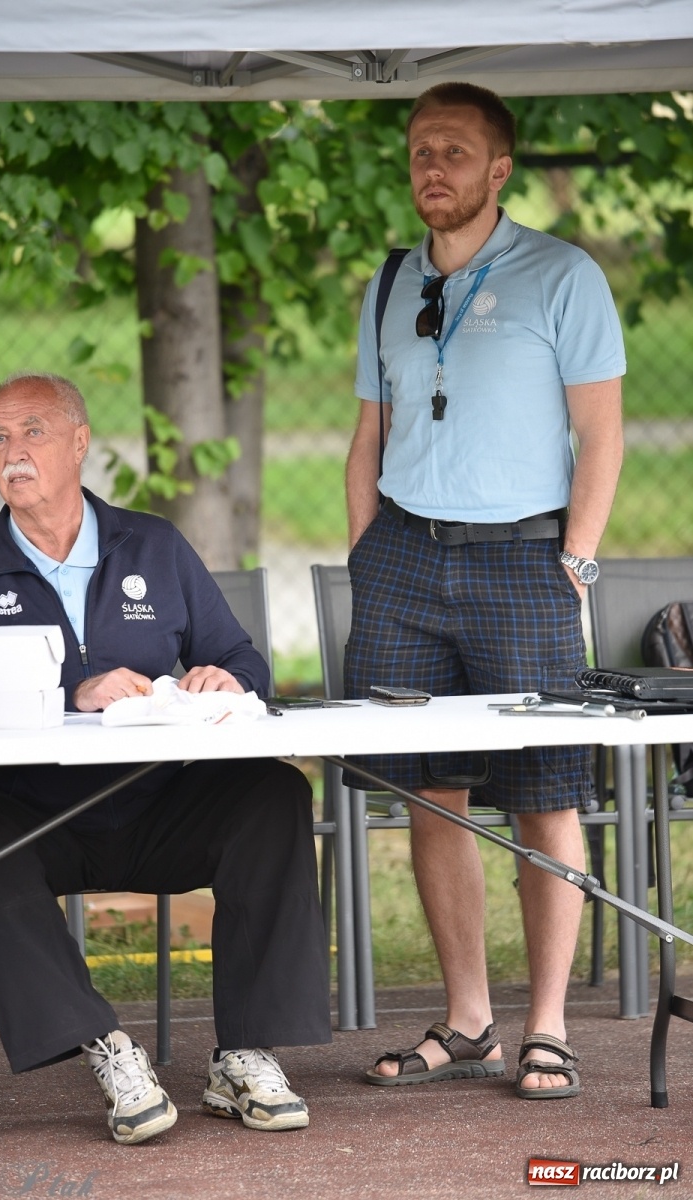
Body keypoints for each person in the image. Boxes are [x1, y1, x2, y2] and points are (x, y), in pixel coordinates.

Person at [0, 371, 331, 1144]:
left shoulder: (155, 545)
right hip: (36, 818)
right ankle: (104, 1047)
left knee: (273, 793)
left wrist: (223, 676)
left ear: (80, 443)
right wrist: (70, 691)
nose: (13, 453)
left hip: (162, 808)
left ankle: (245, 1054)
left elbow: (243, 661)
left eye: (33, 432)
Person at [344, 82, 625, 1099]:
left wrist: (576, 559)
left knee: (548, 796)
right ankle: (469, 1022)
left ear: (499, 169)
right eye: (422, 149)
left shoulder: (564, 275)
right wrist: (368, 555)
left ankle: (547, 1025)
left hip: (523, 558)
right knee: (433, 793)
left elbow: (601, 432)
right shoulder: (387, 282)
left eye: (455, 152)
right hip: (405, 559)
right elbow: (368, 437)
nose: (433, 167)